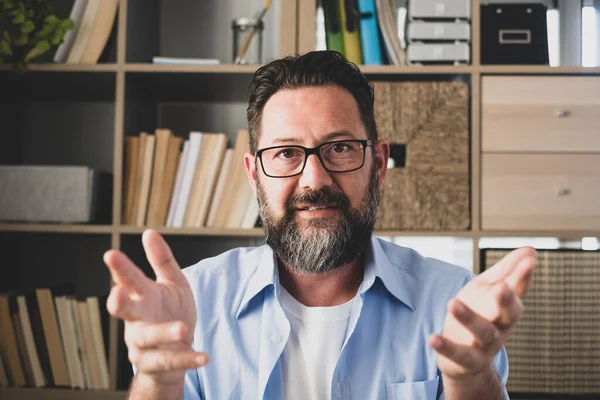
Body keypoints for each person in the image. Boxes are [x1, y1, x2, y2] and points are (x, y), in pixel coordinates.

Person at [103, 50, 536, 400]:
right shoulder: (194, 305)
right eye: (287, 153)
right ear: (255, 175)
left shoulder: (453, 303)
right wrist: (157, 385)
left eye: (341, 148)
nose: (315, 180)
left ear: (379, 164)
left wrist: (470, 381)